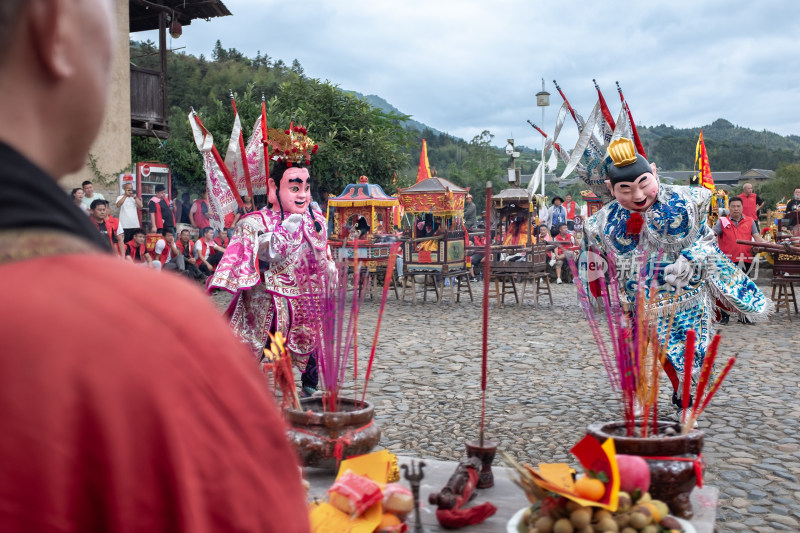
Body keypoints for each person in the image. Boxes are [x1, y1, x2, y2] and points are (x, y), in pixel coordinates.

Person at [0, 2, 309, 531]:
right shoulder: (158, 333)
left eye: (304, 185)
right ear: (56, 24)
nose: (300, 192)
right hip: (259, 310)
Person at [583, 138, 772, 420]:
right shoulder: (604, 221)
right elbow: (601, 259)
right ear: (611, 189)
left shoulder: (685, 201)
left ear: (655, 173)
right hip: (638, 299)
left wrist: (690, 257)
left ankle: (686, 402)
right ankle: (636, 398)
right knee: (632, 350)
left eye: (643, 183)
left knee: (686, 351)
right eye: (626, 189)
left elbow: (707, 240)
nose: (637, 195)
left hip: (684, 295)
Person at [208, 124, 333, 398]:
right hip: (267, 299)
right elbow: (255, 256)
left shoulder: (316, 219)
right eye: (295, 187)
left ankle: (308, 386)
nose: (302, 194)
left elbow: (322, 251)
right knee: (263, 341)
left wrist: (329, 268)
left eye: (306, 187)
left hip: (305, 297)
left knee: (312, 337)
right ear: (273, 186)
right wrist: (277, 239)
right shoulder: (255, 221)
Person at [712, 196, 766, 324]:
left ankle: (744, 316)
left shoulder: (750, 221)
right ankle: (725, 315)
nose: (736, 209)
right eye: (733, 206)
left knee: (744, 289)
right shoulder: (723, 221)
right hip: (726, 261)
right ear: (729, 208)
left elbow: (757, 239)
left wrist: (765, 245)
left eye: (738, 206)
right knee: (725, 289)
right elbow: (711, 235)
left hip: (745, 259)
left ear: (742, 208)